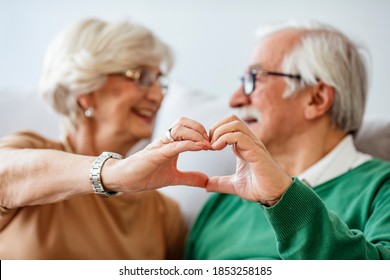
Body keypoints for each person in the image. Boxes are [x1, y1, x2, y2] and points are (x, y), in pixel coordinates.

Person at [173, 20, 390, 259]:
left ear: (316, 99)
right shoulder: (223, 200)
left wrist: (284, 200)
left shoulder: (382, 190)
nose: (234, 99)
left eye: (253, 79)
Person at [0, 18, 210, 259]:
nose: (157, 96)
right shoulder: (27, 151)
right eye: (141, 77)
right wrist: (114, 173)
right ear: (86, 91)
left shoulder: (164, 213)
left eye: (159, 82)